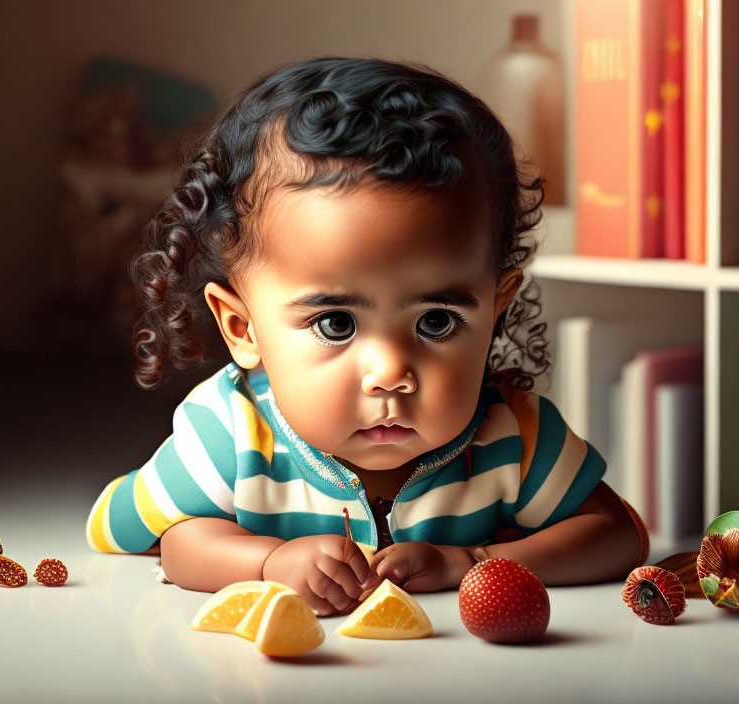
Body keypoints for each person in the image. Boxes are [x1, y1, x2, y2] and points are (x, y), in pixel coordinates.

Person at [86, 56, 647, 616]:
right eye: (336, 324)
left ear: (495, 310)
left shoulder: (513, 437)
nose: (390, 374)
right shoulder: (229, 431)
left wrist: (470, 562)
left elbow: (616, 534)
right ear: (242, 327)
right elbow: (176, 541)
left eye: (436, 321)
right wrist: (269, 563)